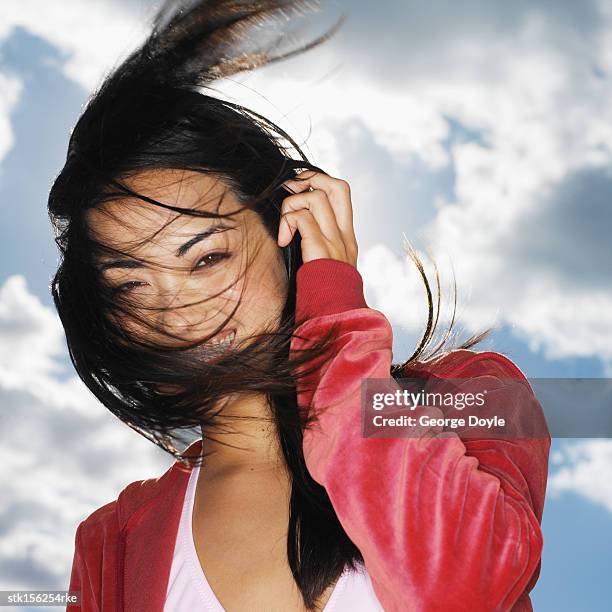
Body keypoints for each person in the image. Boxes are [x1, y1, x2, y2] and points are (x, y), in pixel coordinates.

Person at [48, 1, 551, 610]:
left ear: (289, 232)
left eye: (207, 259)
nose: (174, 314)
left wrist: (334, 319)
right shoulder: (113, 543)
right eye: (130, 286)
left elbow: (463, 586)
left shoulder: (477, 397)